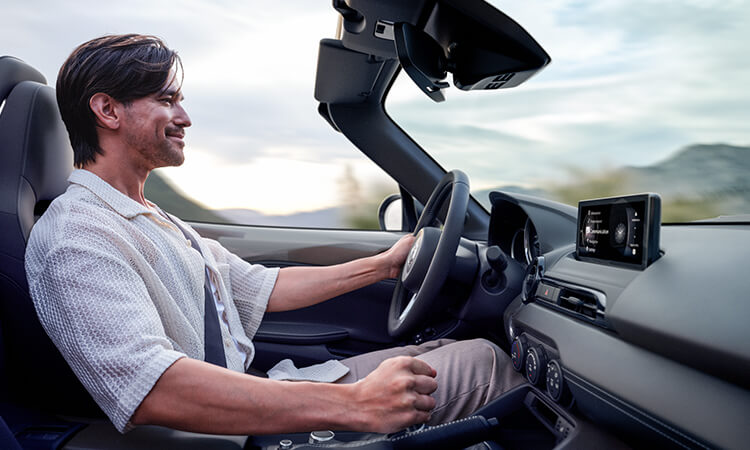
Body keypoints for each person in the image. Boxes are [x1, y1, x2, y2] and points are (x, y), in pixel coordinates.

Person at [26, 34, 523, 436]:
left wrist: (385, 264)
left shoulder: (149, 217)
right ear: (108, 112)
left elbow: (261, 288)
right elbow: (155, 390)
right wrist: (353, 405)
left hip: (257, 391)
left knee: (441, 355)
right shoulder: (77, 237)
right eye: (166, 100)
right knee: (485, 365)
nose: (185, 117)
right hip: (229, 433)